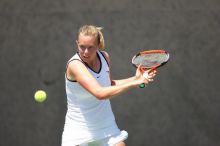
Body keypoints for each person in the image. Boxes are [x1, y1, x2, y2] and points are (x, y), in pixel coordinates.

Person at [62, 25, 156, 146]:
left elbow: (108, 85)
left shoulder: (104, 57)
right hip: (78, 131)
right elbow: (100, 93)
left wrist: (136, 78)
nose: (85, 52)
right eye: (82, 46)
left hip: (106, 127)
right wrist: (135, 83)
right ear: (77, 43)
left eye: (90, 47)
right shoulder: (75, 65)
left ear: (98, 45)